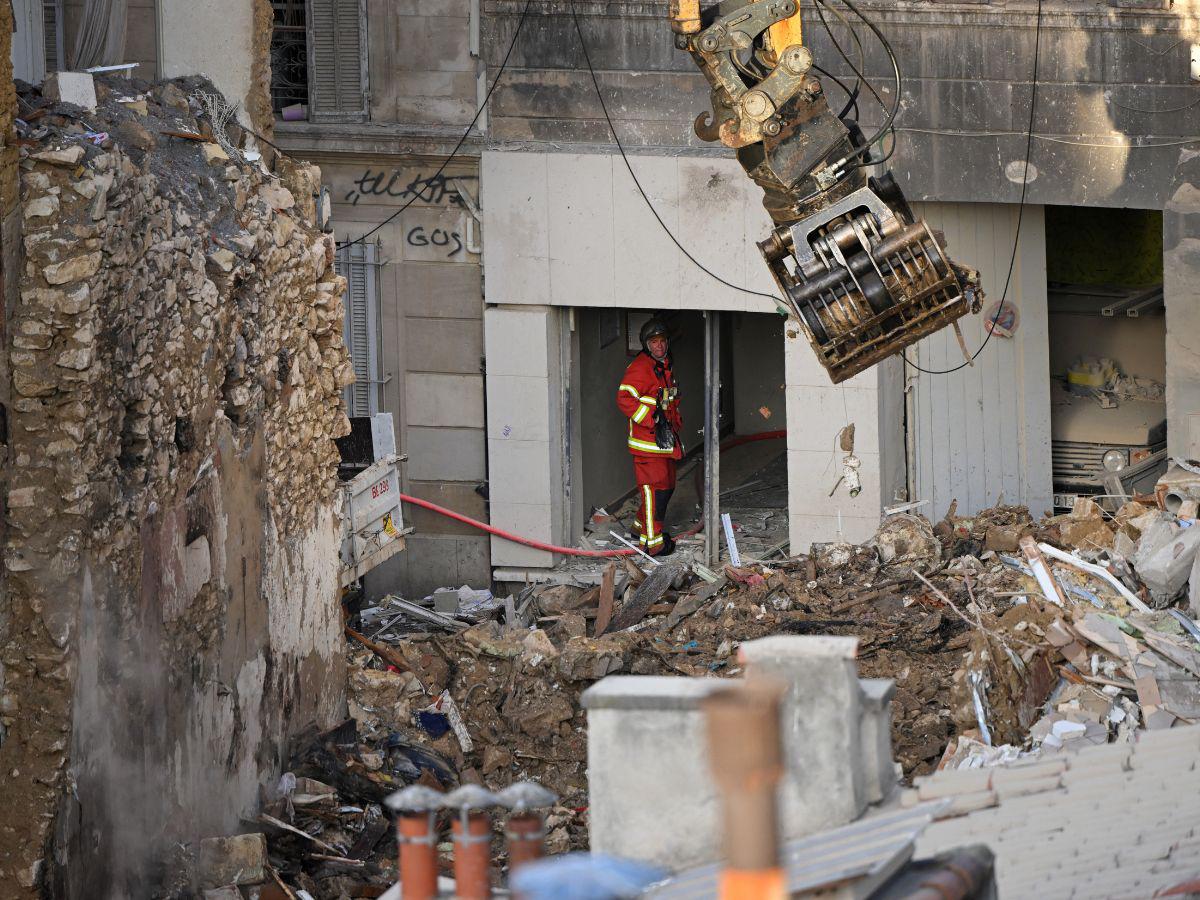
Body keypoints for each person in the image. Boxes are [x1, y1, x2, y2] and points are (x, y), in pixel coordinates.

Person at [616, 317, 682, 556]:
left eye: (662, 341)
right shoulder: (640, 368)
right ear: (646, 344)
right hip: (647, 443)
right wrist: (650, 418)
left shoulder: (664, 364)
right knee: (654, 489)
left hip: (662, 441)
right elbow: (624, 398)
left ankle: (639, 527)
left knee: (667, 486)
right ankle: (652, 543)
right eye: (654, 342)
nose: (659, 346)